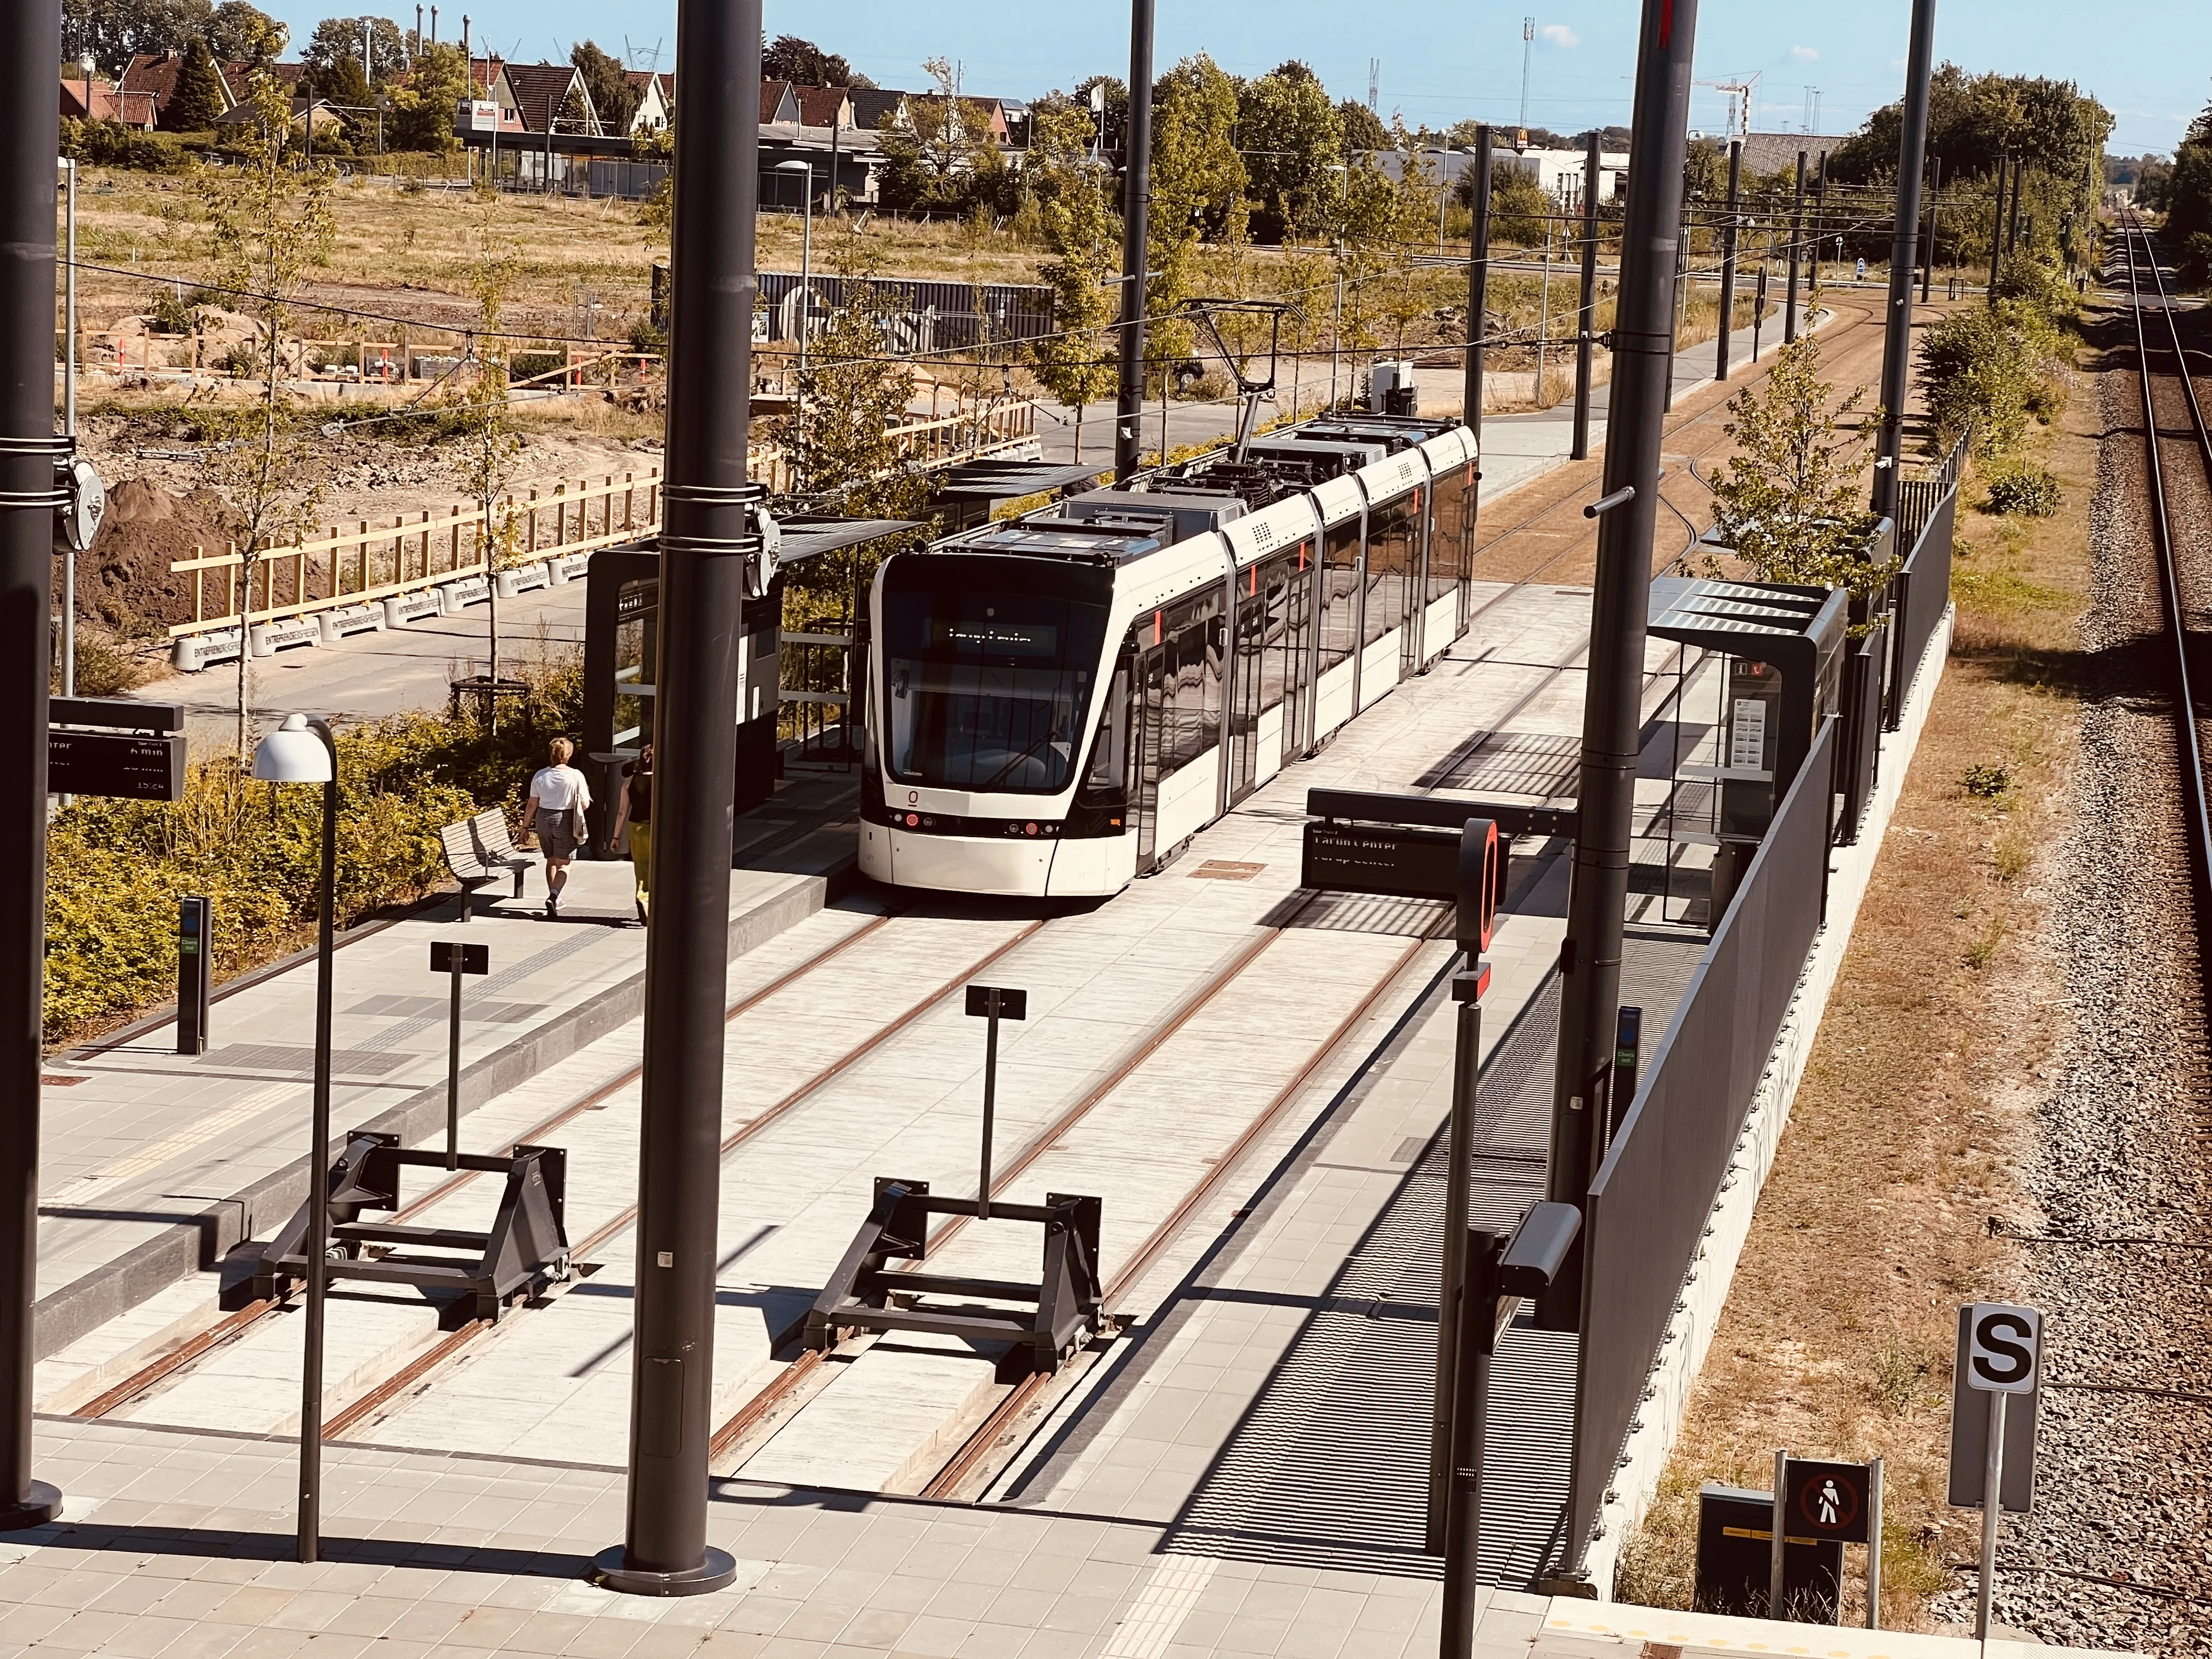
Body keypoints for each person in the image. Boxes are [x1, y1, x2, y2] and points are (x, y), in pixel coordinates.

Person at [522, 737, 592, 917]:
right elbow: (584, 804)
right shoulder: (576, 775)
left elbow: (532, 803)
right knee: (565, 863)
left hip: (544, 819)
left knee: (551, 860)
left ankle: (555, 897)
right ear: (568, 756)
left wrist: (524, 827)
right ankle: (554, 896)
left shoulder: (540, 775)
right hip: (566, 819)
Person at [608, 742, 653, 926]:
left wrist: (616, 837)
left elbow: (622, 811)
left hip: (635, 827)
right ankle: (656, 904)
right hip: (657, 828)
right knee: (659, 867)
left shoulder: (629, 782)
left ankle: (643, 898)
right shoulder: (663, 781)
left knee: (641, 867)